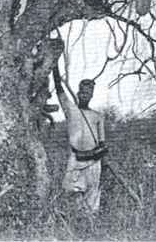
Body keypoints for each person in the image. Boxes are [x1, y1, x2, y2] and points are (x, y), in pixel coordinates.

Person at [52, 62, 106, 214]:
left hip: (94, 161)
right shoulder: (71, 109)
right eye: (83, 93)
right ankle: (74, 225)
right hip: (76, 158)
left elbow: (102, 143)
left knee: (92, 197)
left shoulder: (97, 116)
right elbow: (59, 89)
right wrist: (55, 66)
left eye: (88, 93)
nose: (85, 96)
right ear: (78, 93)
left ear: (91, 95)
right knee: (73, 194)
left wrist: (103, 162)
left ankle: (89, 228)